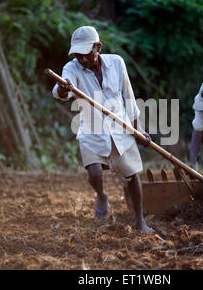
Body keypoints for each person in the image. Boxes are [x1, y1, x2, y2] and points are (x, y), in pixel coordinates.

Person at [52, 26, 154, 233]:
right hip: (92, 130)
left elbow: (128, 96)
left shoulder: (117, 63)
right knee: (95, 172)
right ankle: (101, 195)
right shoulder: (72, 68)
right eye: (78, 55)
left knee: (132, 176)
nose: (82, 59)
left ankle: (140, 222)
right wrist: (64, 88)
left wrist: (138, 129)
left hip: (121, 129)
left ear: (98, 47)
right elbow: (61, 89)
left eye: (86, 54)